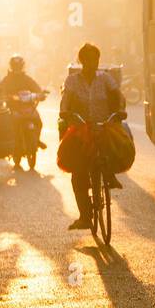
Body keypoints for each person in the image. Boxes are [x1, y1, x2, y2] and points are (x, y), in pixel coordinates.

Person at [59, 42, 124, 231]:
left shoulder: (105, 78)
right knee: (78, 172)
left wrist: (120, 110)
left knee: (120, 143)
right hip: (80, 129)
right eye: (87, 59)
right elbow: (66, 101)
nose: (92, 62)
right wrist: (65, 112)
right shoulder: (72, 81)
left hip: (104, 126)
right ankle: (85, 216)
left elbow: (117, 95)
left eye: (95, 59)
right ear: (82, 61)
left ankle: (110, 173)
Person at [0, 55, 45, 169]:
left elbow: (37, 89)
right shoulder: (7, 79)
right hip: (13, 109)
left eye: (19, 66)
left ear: (22, 66)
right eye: (15, 66)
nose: (17, 68)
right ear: (11, 66)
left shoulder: (27, 79)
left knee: (38, 122)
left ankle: (36, 140)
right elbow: (0, 91)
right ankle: (14, 146)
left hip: (29, 108)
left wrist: (40, 94)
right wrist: (4, 96)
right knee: (11, 126)